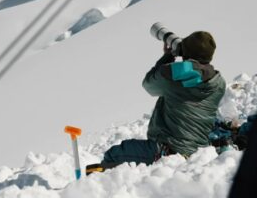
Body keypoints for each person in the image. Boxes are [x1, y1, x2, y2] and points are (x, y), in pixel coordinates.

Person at [87, 31, 226, 172]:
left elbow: (149, 84)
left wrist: (168, 56)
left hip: (168, 152)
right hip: (197, 154)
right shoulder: (219, 83)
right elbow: (197, 73)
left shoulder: (175, 77)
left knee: (114, 155)